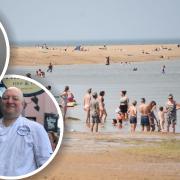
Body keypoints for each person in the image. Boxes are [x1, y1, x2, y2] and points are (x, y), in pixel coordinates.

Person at [0, 87, 52, 176]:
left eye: (15, 98)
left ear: (23, 104)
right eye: (5, 98)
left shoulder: (35, 129)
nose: (10, 101)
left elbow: (46, 164)